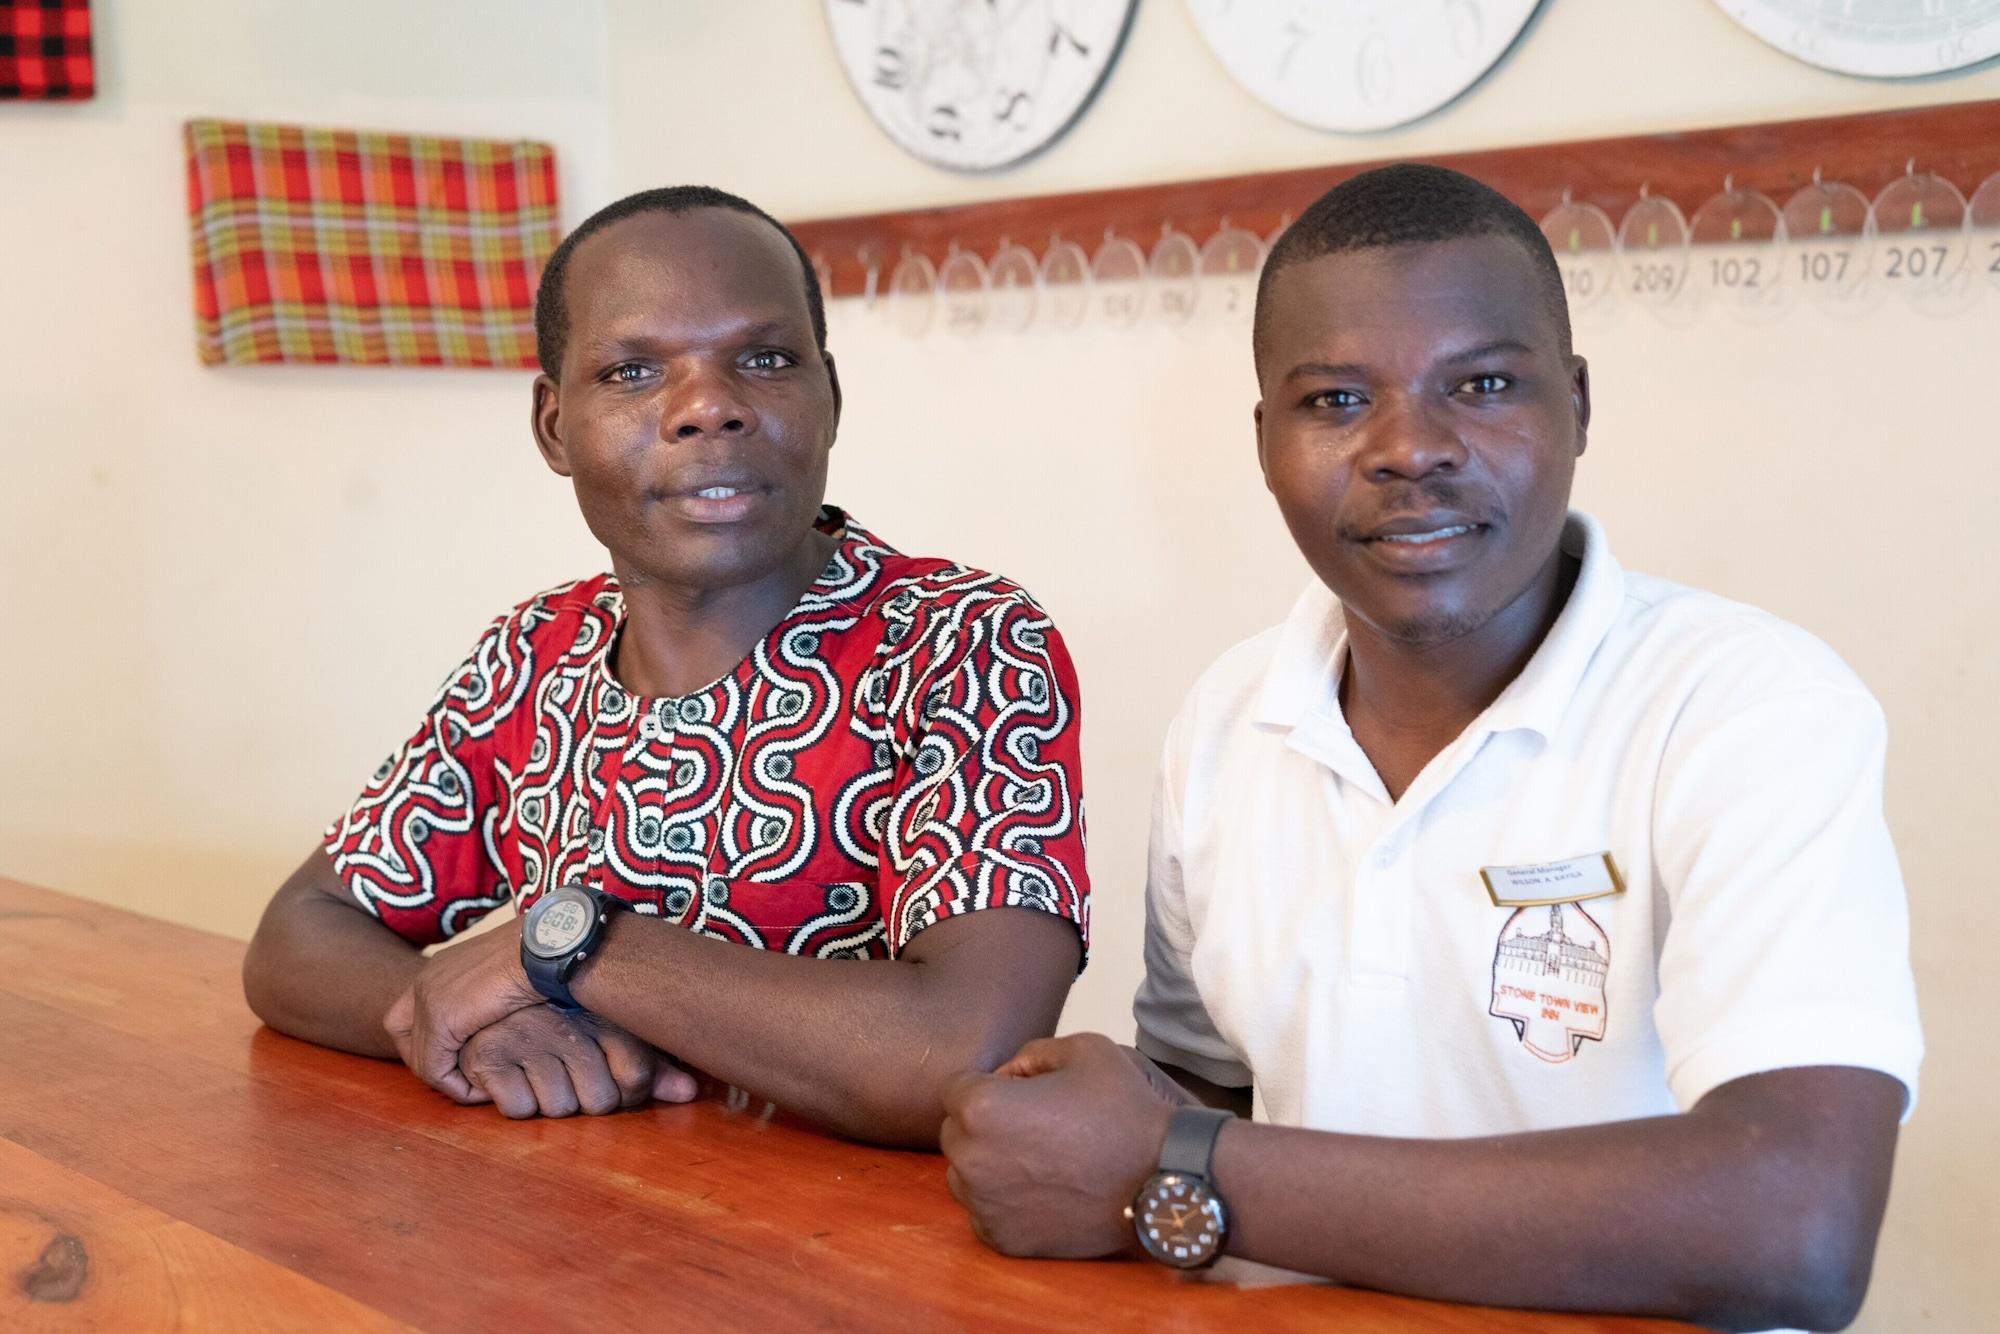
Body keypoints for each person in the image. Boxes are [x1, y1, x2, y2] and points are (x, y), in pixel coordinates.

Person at [938, 165, 1920, 1333]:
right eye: (1335, 401)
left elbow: (1793, 1225)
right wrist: (1080, 1121)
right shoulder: (1229, 713)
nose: (1410, 447)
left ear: (1578, 404)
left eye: (1485, 383)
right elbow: (1206, 1083)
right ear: (1264, 443)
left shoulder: (1745, 706)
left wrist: (1175, 1162)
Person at [243, 186, 1088, 1147]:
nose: (709, 408)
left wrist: (570, 946)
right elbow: (299, 932)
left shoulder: (959, 643)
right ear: (555, 427)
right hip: (587, 1242)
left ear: (830, 396)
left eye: (765, 360)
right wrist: (478, 1014)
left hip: (861, 1261)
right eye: (634, 371)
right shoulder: (535, 654)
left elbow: (961, 1052)